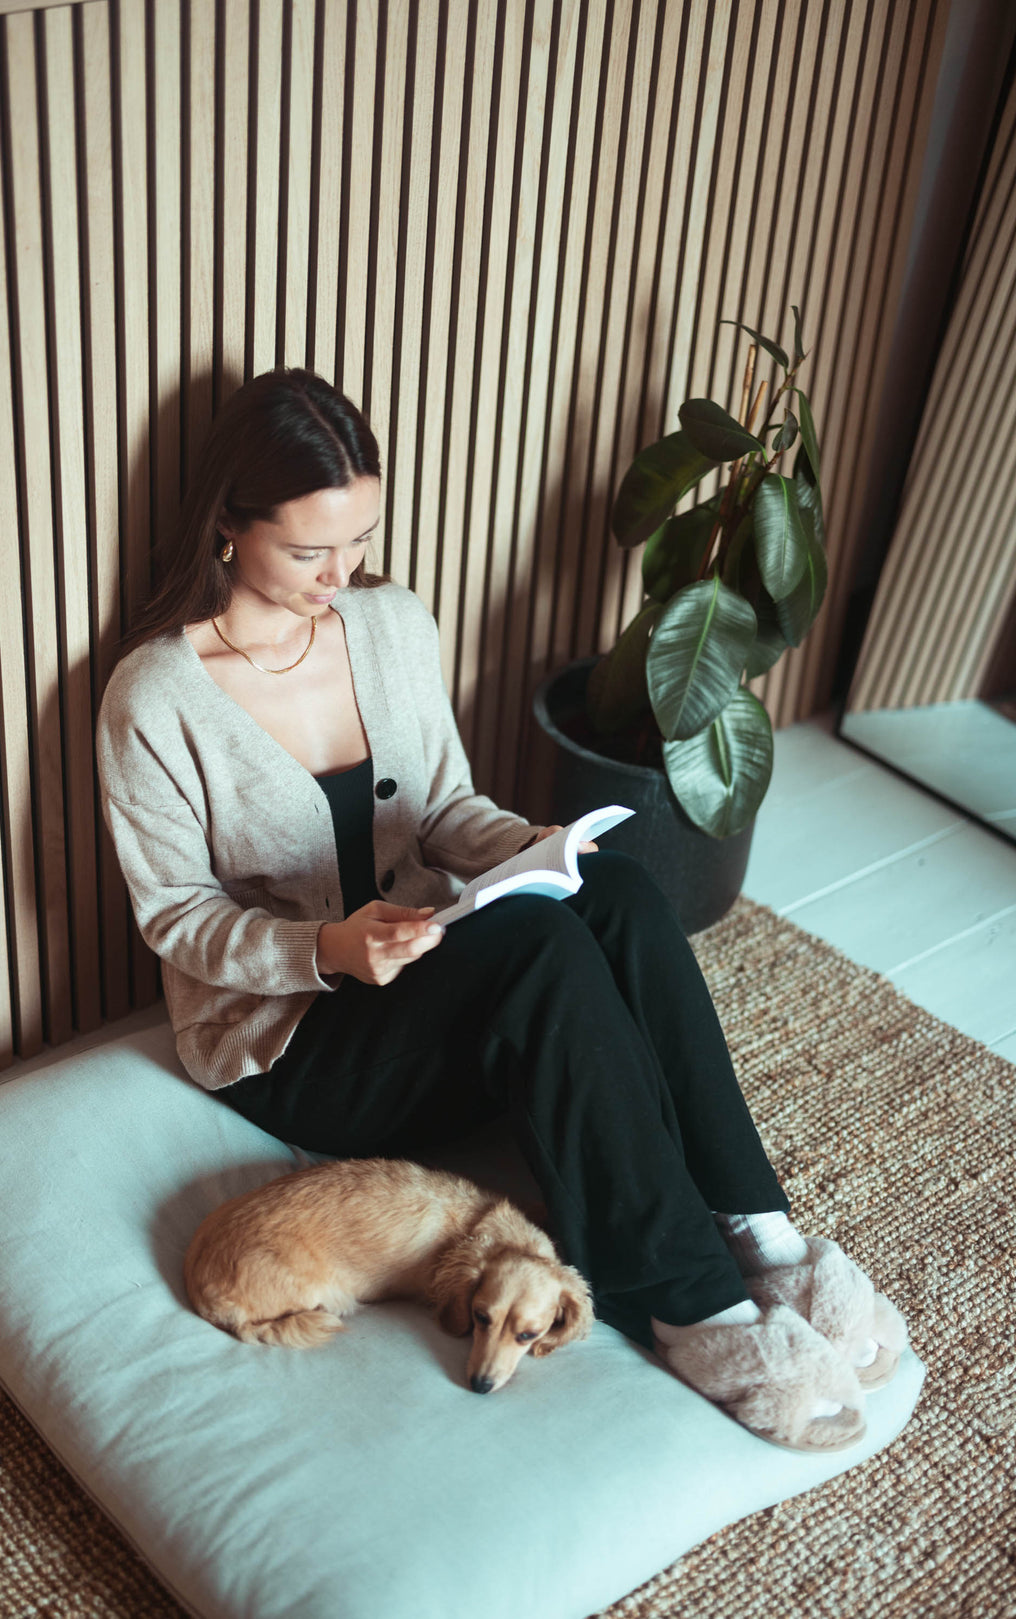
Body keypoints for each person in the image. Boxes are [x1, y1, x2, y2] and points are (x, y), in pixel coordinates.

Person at [95, 366, 907, 1453]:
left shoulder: (387, 621)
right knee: (532, 951)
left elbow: (443, 809)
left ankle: (763, 1233)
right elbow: (177, 918)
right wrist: (330, 946)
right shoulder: (153, 697)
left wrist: (534, 848)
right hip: (290, 1036)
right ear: (228, 529)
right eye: (308, 551)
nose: (341, 574)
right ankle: (687, 1299)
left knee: (612, 890)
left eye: (358, 540)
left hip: (425, 961)